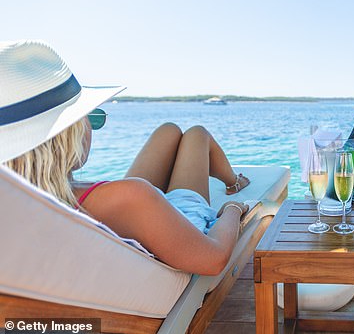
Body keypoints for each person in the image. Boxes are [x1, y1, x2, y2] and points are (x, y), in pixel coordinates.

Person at [0, 40, 249, 276]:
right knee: (197, 135)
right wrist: (233, 209)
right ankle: (234, 184)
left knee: (169, 131)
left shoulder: (20, 210)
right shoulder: (130, 197)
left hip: (142, 222)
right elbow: (214, 259)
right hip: (183, 230)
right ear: (67, 137)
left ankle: (232, 180)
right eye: (90, 117)